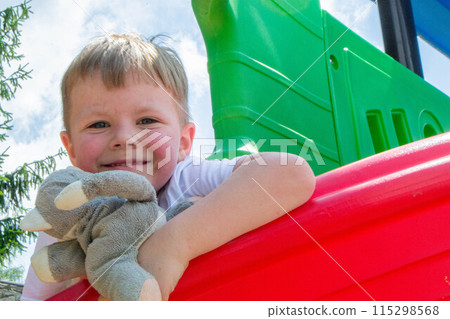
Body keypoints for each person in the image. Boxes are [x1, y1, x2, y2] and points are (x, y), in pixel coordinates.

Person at [21, 33, 316, 301]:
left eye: (147, 121)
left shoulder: (186, 176)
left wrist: (175, 243)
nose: (124, 138)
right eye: (99, 124)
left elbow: (291, 173)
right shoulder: (66, 213)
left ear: (183, 143)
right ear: (70, 147)